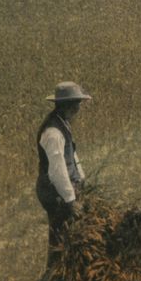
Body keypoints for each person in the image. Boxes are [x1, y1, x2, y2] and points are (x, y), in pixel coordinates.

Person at [36, 81, 91, 270]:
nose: (79, 108)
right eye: (77, 103)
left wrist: (81, 178)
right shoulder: (53, 132)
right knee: (60, 237)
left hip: (62, 189)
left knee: (67, 234)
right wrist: (70, 200)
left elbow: (71, 156)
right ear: (68, 105)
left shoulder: (62, 124)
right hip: (54, 192)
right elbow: (57, 170)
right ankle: (55, 275)